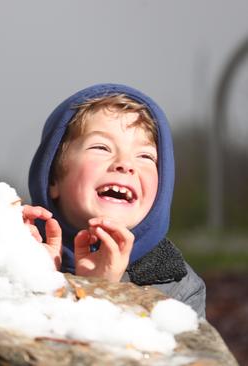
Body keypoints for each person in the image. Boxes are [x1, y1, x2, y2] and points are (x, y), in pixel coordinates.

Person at [27, 83, 206, 317]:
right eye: (101, 147)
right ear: (53, 179)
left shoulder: (177, 287)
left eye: (145, 155)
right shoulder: (11, 256)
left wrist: (103, 291)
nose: (125, 164)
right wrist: (36, 284)